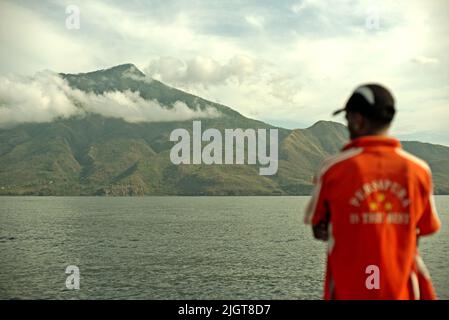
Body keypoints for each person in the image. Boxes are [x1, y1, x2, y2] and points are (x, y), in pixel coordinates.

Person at [304, 84, 441, 300]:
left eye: (347, 118)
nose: (348, 124)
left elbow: (318, 226)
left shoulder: (332, 169)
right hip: (402, 291)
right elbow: (426, 227)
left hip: (348, 291)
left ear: (358, 120)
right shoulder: (418, 170)